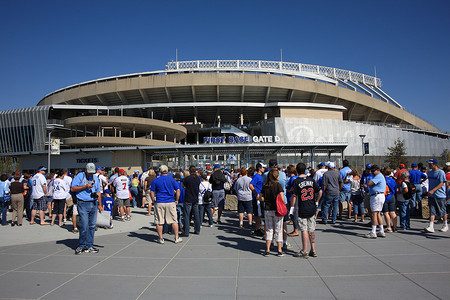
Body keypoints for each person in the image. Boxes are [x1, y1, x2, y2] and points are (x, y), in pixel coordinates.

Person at [291, 163, 322, 258]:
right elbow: (320, 191)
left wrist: (292, 208)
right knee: (311, 229)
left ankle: (304, 250)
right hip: (312, 207)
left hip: (302, 207)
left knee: (304, 229)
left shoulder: (296, 182)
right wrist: (317, 201)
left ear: (297, 170)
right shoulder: (311, 180)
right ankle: (313, 249)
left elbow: (294, 196)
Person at [71, 163, 102, 254]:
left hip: (93, 202)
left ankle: (90, 245)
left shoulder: (95, 178)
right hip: (83, 203)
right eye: (89, 172)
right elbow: (73, 188)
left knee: (92, 226)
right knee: (84, 225)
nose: (91, 174)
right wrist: (85, 186)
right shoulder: (80, 176)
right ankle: (82, 245)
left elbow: (98, 191)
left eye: (92, 172)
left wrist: (100, 204)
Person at [150, 165, 182, 244]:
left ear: (159, 171)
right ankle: (176, 237)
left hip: (160, 201)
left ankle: (161, 238)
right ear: (167, 171)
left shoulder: (156, 180)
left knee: (159, 221)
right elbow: (178, 190)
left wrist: (153, 200)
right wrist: (177, 199)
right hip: (170, 201)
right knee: (174, 220)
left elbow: (151, 192)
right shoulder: (171, 179)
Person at [261, 169, 285, 257]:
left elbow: (260, 198)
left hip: (267, 209)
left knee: (269, 230)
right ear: (277, 176)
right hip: (277, 210)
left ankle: (267, 249)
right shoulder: (278, 186)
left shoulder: (265, 186)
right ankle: (279, 249)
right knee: (278, 229)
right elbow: (282, 198)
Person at [424, 158, 448, 233]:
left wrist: (433, 190)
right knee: (432, 211)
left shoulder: (441, 173)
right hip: (431, 195)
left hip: (440, 195)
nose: (429, 165)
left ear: (435, 164)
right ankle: (431, 226)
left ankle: (445, 224)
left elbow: (442, 183)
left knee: (442, 211)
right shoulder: (430, 172)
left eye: (430, 164)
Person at [364, 165, 386, 239]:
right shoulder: (380, 176)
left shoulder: (378, 176)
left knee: (373, 214)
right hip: (379, 195)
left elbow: (369, 183)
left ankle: (373, 232)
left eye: (373, 171)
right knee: (378, 213)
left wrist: (370, 184)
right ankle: (381, 230)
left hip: (376, 196)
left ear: (378, 170)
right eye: (371, 171)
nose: (372, 172)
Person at [181, 166, 201, 236]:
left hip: (188, 197)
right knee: (196, 215)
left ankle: (186, 231)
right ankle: (197, 230)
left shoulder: (187, 179)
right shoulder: (198, 178)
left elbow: (183, 186)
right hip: (195, 198)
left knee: (186, 215)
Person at [249, 163, 264, 236]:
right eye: (263, 167)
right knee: (258, 214)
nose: (264, 168)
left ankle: (257, 228)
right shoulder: (257, 176)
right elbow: (250, 185)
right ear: (259, 168)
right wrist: (256, 193)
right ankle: (257, 229)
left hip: (259, 197)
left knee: (259, 213)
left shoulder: (260, 176)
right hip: (257, 198)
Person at [382, 167, 397, 232]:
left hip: (385, 196)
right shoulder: (393, 180)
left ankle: (388, 226)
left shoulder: (383, 179)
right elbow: (395, 188)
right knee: (392, 212)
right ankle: (395, 226)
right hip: (392, 196)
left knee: (386, 213)